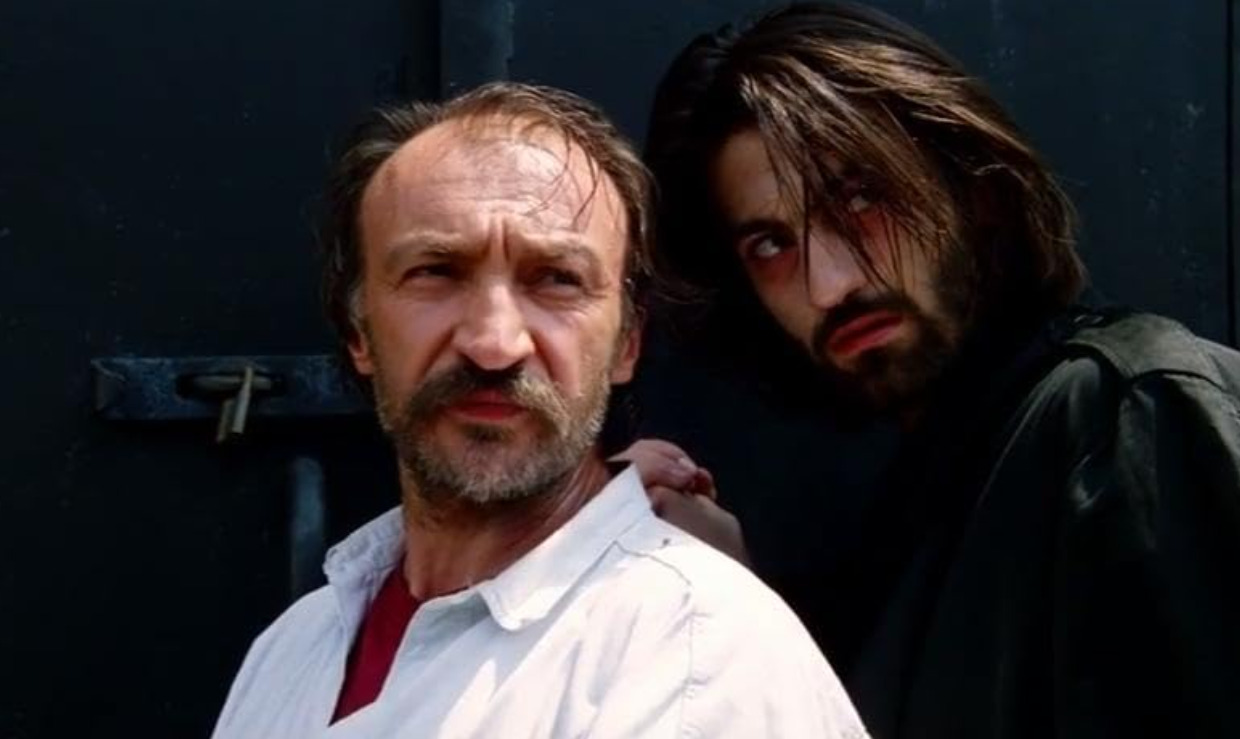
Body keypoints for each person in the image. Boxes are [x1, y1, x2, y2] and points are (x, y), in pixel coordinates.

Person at [641, 3, 1240, 737]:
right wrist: (730, 597)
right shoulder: (923, 502)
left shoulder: (1125, 415)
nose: (830, 284)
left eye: (860, 199)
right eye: (770, 244)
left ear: (976, 188)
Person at [210, 81, 867, 739]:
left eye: (557, 279)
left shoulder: (696, 657)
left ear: (627, 342)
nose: (494, 343)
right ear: (359, 331)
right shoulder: (293, 648)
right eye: (436, 271)